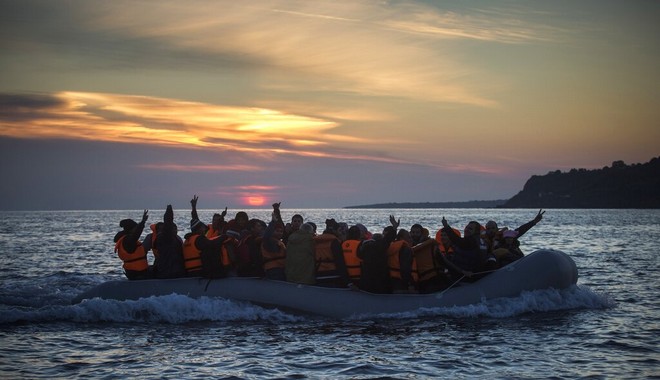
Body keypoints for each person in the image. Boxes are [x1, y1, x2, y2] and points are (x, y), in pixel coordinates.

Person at [143, 205, 185, 279]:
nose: (175, 231)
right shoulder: (163, 237)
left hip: (176, 269)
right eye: (173, 229)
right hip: (167, 269)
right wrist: (169, 212)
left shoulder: (177, 239)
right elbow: (168, 222)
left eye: (176, 229)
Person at [114, 210, 151, 280]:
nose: (136, 229)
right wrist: (143, 222)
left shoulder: (125, 239)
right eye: (135, 228)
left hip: (133, 271)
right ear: (130, 229)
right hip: (137, 272)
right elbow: (137, 234)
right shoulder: (128, 240)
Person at [358, 225, 396, 294]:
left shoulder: (363, 249)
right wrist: (394, 228)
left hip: (366, 282)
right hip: (380, 281)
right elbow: (388, 240)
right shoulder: (380, 248)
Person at [313, 218, 350, 287]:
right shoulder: (335, 242)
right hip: (333, 275)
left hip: (319, 275)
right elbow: (340, 263)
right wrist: (348, 282)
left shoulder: (316, 241)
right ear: (335, 230)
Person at [261, 202, 286, 281]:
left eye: (281, 231)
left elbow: (280, 224)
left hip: (280, 268)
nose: (280, 233)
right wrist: (273, 222)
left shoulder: (279, 241)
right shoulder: (269, 241)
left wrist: (277, 210)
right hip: (273, 270)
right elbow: (266, 236)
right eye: (277, 231)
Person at [387, 227, 415, 293]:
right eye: (408, 237)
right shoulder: (405, 249)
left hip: (390, 278)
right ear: (401, 238)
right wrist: (410, 283)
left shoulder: (391, 247)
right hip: (401, 280)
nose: (411, 239)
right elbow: (405, 268)